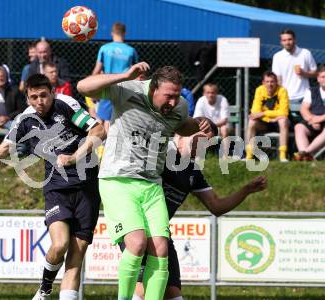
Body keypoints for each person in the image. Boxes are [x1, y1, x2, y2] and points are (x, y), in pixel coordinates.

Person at [0, 74, 106, 300]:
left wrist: (74, 157)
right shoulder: (25, 120)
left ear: (52, 92)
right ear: (28, 98)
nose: (40, 101)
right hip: (57, 188)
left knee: (75, 259)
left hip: (87, 188)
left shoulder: (66, 104)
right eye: (34, 97)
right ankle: (45, 288)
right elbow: (1, 151)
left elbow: (98, 130)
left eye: (44, 95)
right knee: (59, 245)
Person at [77, 62, 211, 299]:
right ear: (153, 88)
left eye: (176, 96)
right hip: (118, 181)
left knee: (161, 249)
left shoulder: (178, 106)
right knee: (137, 244)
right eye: (168, 96)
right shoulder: (128, 89)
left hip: (151, 185)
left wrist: (201, 123)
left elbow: (185, 125)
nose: (172, 102)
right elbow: (83, 86)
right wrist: (124, 75)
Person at [122, 131, 267, 300]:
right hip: (137, 227)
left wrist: (246, 190)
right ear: (184, 133)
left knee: (172, 291)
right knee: (143, 287)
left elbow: (216, 206)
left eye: (207, 142)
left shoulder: (192, 172)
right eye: (199, 139)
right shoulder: (160, 152)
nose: (202, 146)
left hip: (160, 232)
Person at [92, 22, 139, 132]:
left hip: (108, 86)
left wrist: (93, 91)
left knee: (103, 119)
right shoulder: (131, 50)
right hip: (125, 88)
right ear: (125, 33)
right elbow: (137, 72)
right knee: (120, 120)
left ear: (112, 33)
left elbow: (97, 70)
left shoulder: (104, 48)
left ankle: (98, 146)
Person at [272, 29, 317, 118]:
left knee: (308, 123)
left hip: (304, 96)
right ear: (281, 42)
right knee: (286, 124)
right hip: (285, 97)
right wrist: (279, 97)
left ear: (294, 40)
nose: (287, 42)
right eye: (284, 40)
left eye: (289, 39)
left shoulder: (305, 53)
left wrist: (304, 73)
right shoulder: (277, 56)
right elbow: (278, 79)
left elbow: (315, 73)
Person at [246, 71, 289, 162]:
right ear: (263, 82)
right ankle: (249, 156)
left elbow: (284, 112)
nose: (270, 84)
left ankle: (283, 156)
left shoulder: (282, 91)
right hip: (265, 123)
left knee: (283, 120)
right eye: (267, 81)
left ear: (276, 82)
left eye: (272, 81)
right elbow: (255, 111)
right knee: (251, 122)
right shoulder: (259, 90)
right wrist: (270, 118)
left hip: (278, 123)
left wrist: (263, 113)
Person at [294, 66, 325, 161]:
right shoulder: (311, 91)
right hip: (312, 121)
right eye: (323, 77)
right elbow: (304, 109)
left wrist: (319, 119)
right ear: (318, 79)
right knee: (299, 127)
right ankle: (306, 159)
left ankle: (304, 154)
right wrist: (312, 120)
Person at [194, 83, 230, 156]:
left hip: (221, 126)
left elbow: (224, 120)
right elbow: (197, 119)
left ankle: (225, 155)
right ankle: (198, 155)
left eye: (213, 92)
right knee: (197, 130)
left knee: (224, 129)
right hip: (205, 127)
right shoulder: (201, 101)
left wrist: (211, 126)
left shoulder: (223, 100)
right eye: (208, 92)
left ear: (216, 93)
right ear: (204, 93)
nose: (210, 95)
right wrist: (206, 127)